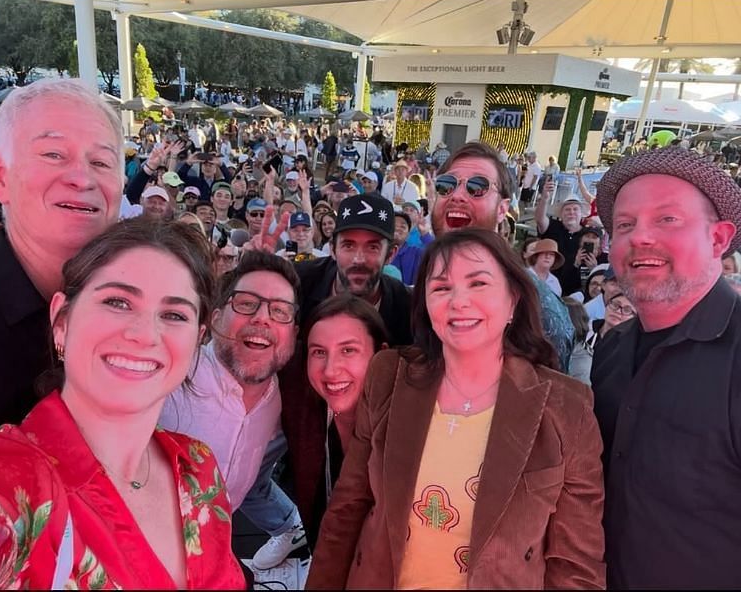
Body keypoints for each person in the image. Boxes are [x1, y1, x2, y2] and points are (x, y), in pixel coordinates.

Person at [306, 228, 606, 589]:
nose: (458, 301)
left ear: (513, 298)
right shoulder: (388, 376)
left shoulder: (566, 407)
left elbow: (577, 564)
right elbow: (347, 510)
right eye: (441, 287)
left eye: (478, 283)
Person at [0, 219, 245, 590]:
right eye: (118, 302)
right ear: (62, 319)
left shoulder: (199, 469)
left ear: (198, 340)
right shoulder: (3, 478)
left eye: (174, 315)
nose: (145, 334)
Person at [590, 146, 741, 588]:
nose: (640, 238)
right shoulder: (613, 347)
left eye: (667, 219)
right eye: (624, 225)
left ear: (719, 239)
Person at [0, 78, 124, 431]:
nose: (82, 179)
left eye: (100, 162)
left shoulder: (133, 306)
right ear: (0, 175)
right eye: (54, 155)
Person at [158, 252, 307, 573]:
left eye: (279, 310)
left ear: (293, 336)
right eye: (246, 303)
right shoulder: (170, 376)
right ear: (214, 318)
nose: (262, 318)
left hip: (209, 558)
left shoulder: (279, 401)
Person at [429, 141, 576, 371]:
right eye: (446, 185)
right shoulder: (425, 283)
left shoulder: (539, 309)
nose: (457, 196)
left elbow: (550, 398)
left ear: (502, 209)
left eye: (477, 187)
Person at [279, 294, 389, 549]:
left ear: (381, 355)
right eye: (319, 352)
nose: (330, 370)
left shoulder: (405, 432)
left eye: (348, 350)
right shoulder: (304, 412)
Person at [294, 194, 413, 346]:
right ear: (333, 249)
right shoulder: (299, 284)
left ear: (391, 254)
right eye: (348, 246)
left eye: (372, 247)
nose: (359, 259)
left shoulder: (409, 310)